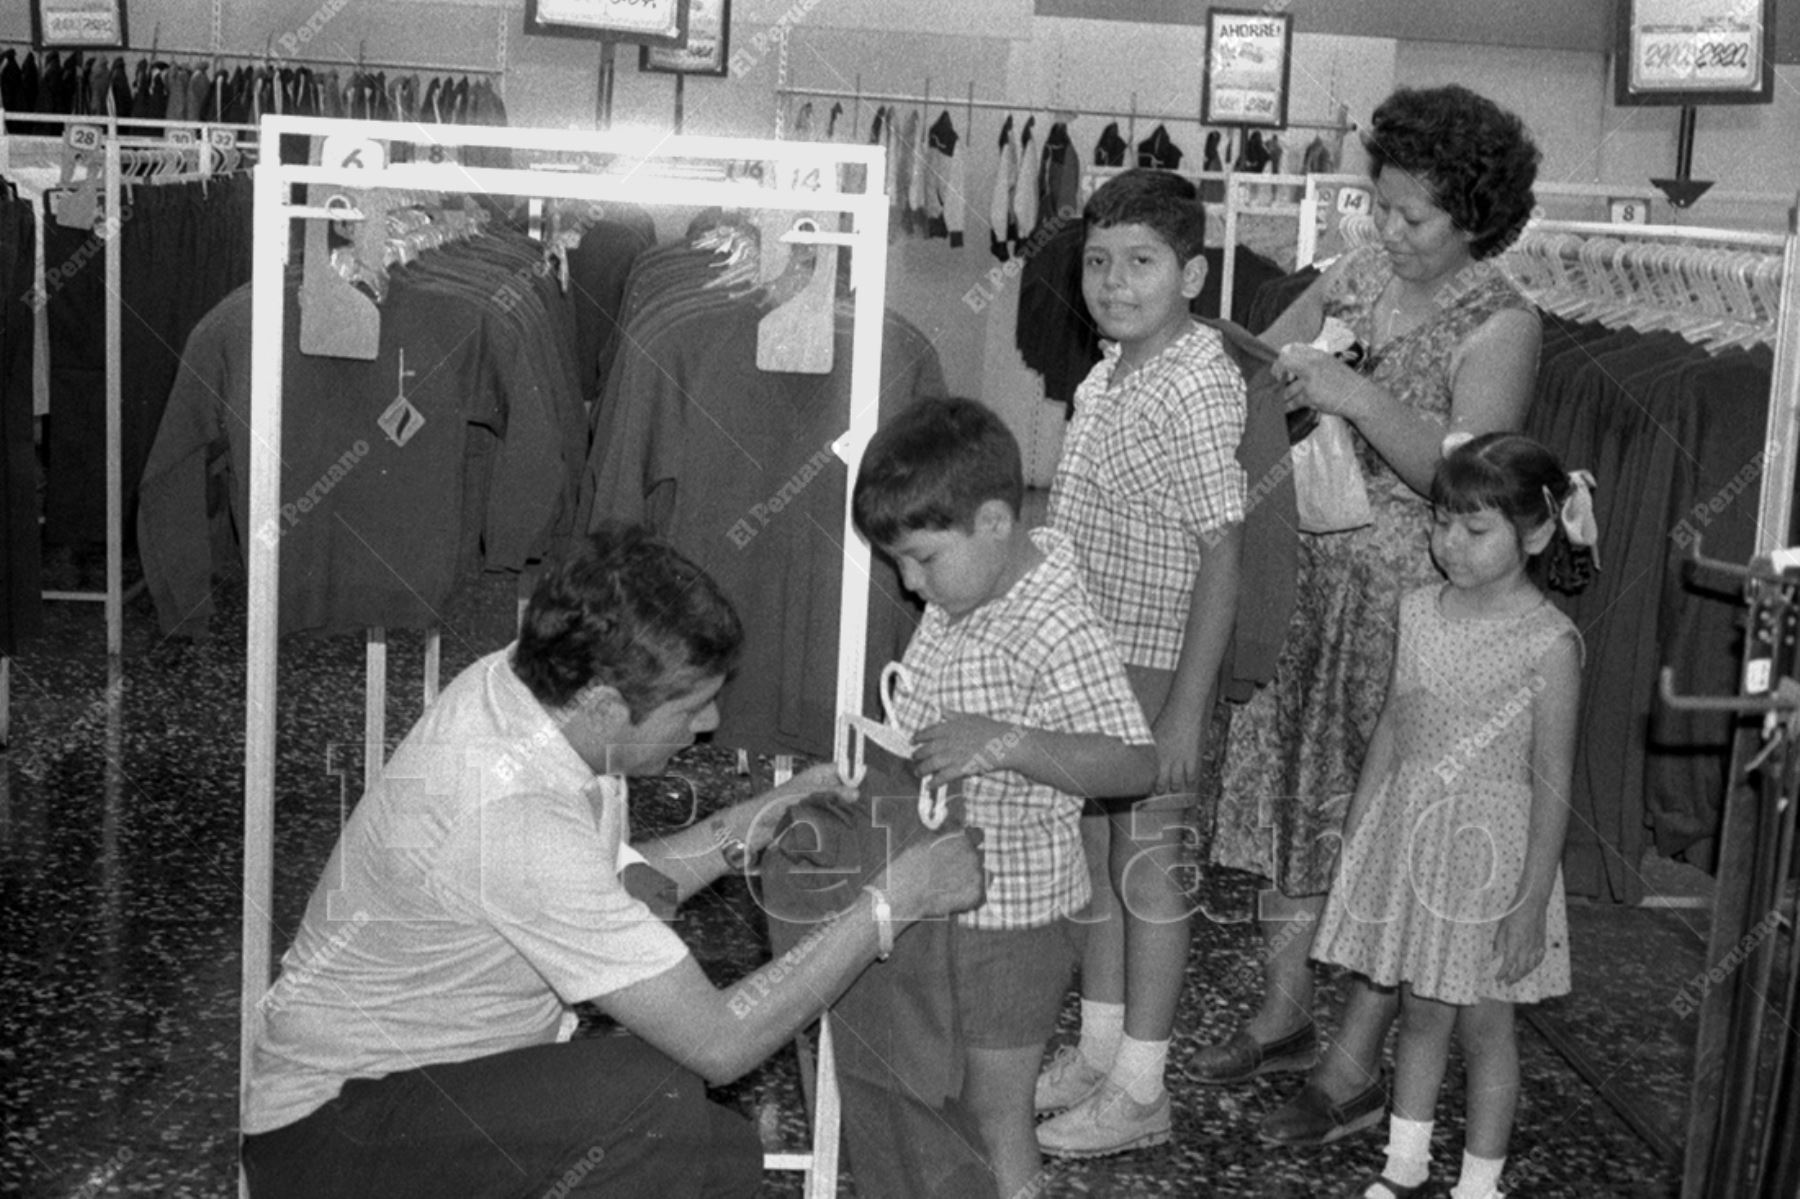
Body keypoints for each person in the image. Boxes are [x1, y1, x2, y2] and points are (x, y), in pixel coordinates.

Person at [238, 525, 986, 1199]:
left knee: (701, 1136)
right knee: (658, 1108)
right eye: (689, 705)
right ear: (600, 702)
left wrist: (751, 819)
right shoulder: (513, 814)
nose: (711, 724)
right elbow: (722, 1042)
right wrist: (892, 902)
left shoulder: (518, 685)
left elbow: (605, 889)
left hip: (391, 1097)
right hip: (328, 1142)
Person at [1190, 84, 1545, 1150]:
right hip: (1307, 579)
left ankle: (1351, 1062)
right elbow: (1267, 361)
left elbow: (1471, 479)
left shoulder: (1504, 321)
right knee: (1295, 803)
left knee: (1382, 827)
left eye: (1412, 216)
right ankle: (1285, 1007)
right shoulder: (1359, 270)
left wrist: (1348, 395)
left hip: (1412, 610)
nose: (1387, 230)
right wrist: (1266, 370)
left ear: (1475, 218)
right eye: (1378, 204)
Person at [851, 395, 1159, 1199]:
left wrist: (1005, 742)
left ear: (993, 521)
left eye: (921, 557)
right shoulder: (964, 595)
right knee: (945, 1092)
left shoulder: (1054, 622)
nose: (909, 584)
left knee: (997, 1108)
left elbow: (1133, 763)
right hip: (944, 898)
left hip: (1014, 918)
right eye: (898, 564)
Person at [1313, 432, 1594, 1199]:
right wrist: (1359, 836)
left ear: (1536, 531)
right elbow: (1393, 729)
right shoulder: (1418, 610)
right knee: (1421, 1009)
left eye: (1475, 530)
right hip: (1413, 837)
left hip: (1494, 856)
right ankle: (1404, 1164)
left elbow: (1554, 777)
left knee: (1486, 1024)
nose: (1450, 544)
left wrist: (1532, 898)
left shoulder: (1549, 643)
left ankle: (1479, 1183)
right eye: (1441, 523)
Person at [1033, 168, 1247, 1158]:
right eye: (1101, 262)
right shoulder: (1108, 369)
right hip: (1097, 658)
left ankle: (1144, 1086)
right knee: (1100, 860)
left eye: (1144, 263)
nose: (1116, 283)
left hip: (1159, 663)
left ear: (1193, 273)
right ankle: (1103, 1049)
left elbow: (1222, 550)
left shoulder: (1195, 384)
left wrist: (1185, 712)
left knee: (1151, 870)